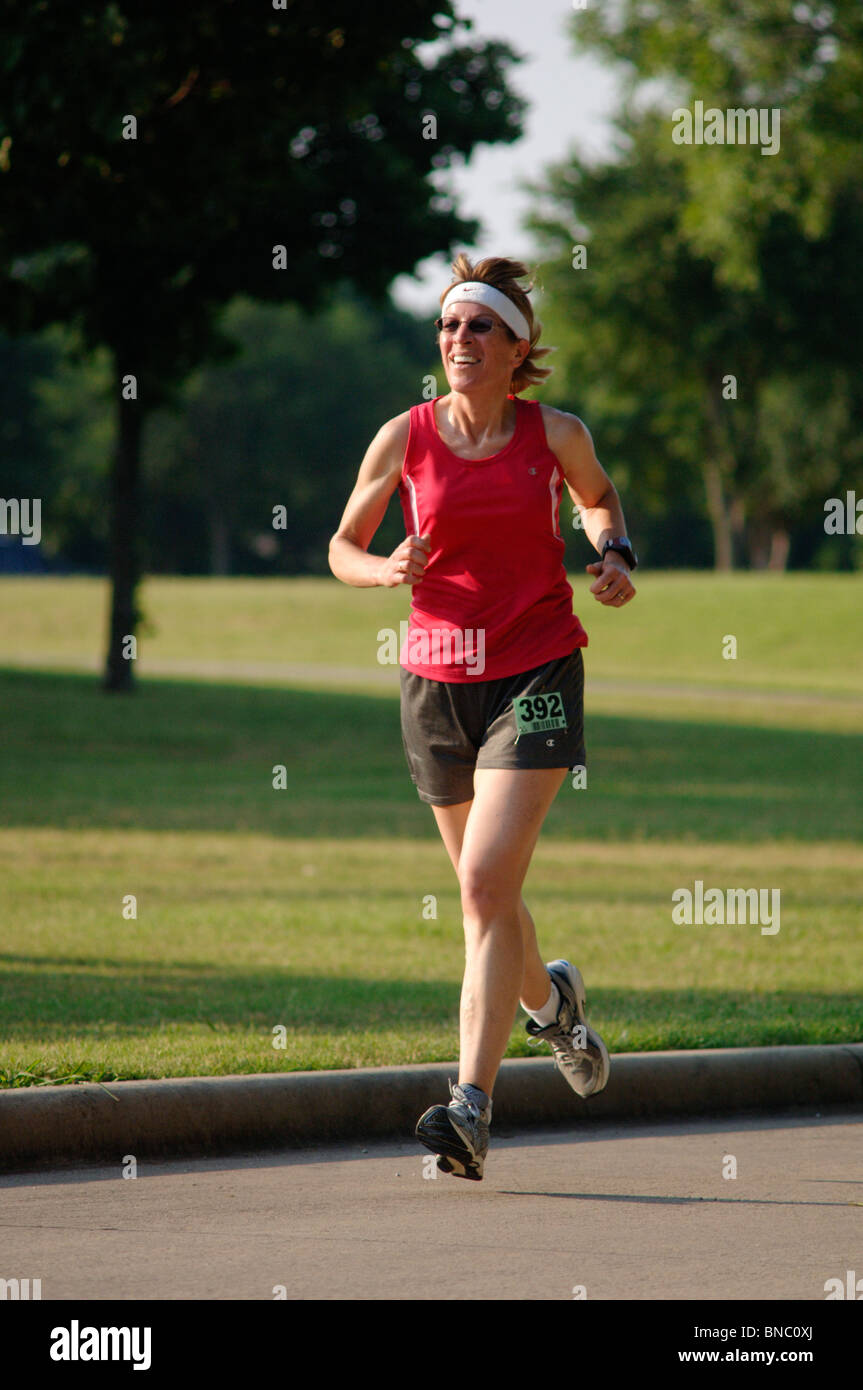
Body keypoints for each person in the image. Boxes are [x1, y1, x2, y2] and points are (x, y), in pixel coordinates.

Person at [328, 254, 636, 1181]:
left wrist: (613, 551)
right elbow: (342, 545)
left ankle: (469, 1106)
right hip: (433, 683)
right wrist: (381, 570)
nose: (459, 341)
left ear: (517, 349)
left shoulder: (555, 434)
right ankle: (553, 1008)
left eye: (479, 329)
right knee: (487, 893)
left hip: (535, 668)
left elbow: (597, 500)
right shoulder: (402, 437)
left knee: (481, 889)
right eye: (449, 328)